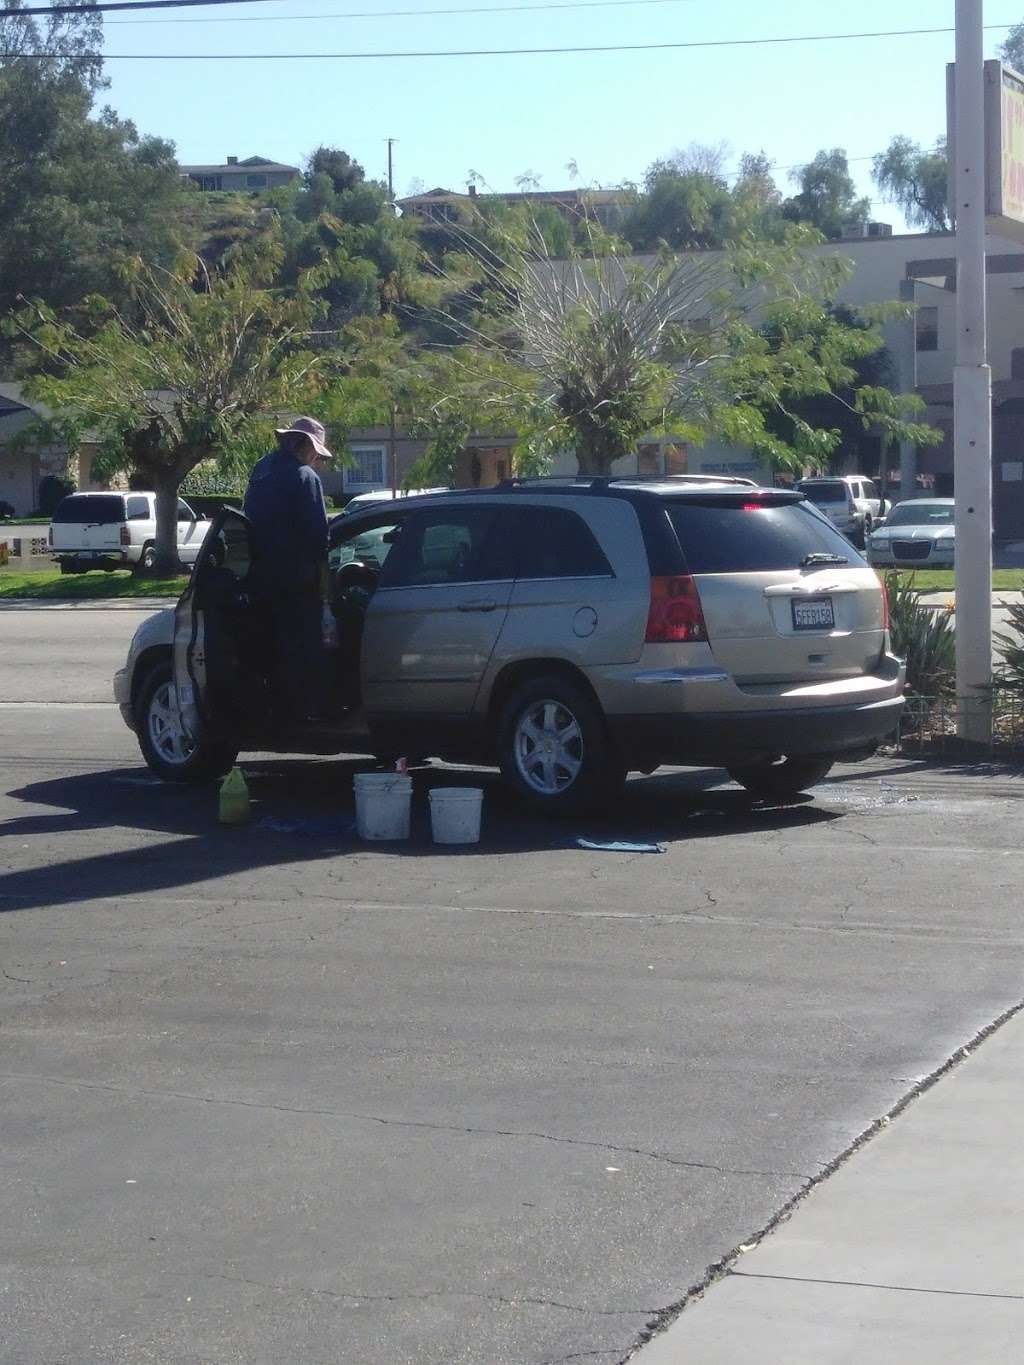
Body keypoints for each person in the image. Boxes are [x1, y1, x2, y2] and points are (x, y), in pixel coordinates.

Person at [243, 416, 333, 725]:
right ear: (306, 444)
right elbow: (319, 536)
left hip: (257, 580)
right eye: (316, 453)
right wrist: (326, 589)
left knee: (270, 649)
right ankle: (306, 712)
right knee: (303, 648)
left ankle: (274, 712)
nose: (317, 459)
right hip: (295, 582)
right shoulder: (304, 476)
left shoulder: (261, 470)